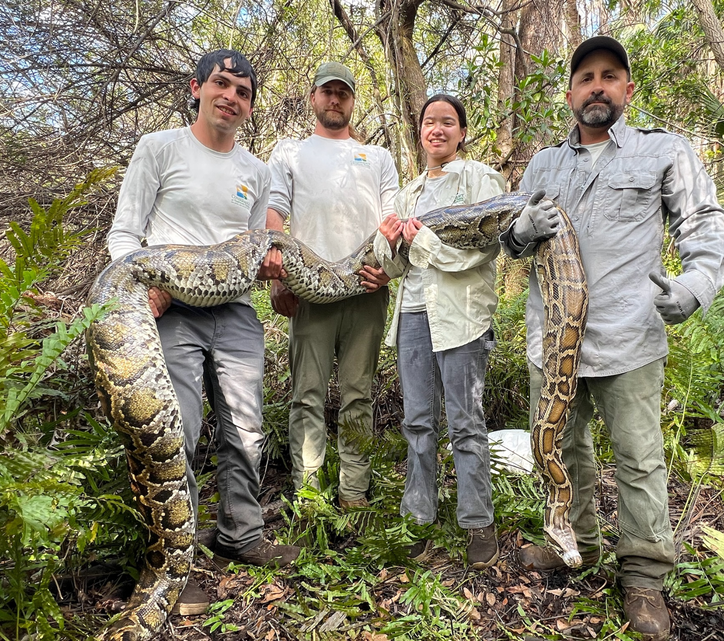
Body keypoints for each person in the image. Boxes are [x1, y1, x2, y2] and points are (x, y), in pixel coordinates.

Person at [500, 36, 724, 640]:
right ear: (571, 93)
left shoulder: (664, 151)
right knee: (562, 451)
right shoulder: (544, 164)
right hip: (552, 340)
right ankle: (573, 543)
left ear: (627, 88)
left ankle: (645, 575)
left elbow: (702, 222)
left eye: (609, 76)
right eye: (586, 77)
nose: (597, 86)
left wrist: (696, 285)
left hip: (628, 335)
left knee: (637, 456)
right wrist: (520, 229)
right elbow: (508, 240)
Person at [106, 49, 302, 615]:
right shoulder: (159, 148)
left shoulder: (256, 172)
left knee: (246, 427)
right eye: (222, 84)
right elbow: (125, 232)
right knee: (180, 430)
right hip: (173, 312)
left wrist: (269, 267)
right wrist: (145, 281)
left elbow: (252, 246)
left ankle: (240, 534)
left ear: (248, 105)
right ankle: (176, 557)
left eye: (242, 91)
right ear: (197, 88)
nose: (231, 97)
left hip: (236, 312)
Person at [372, 94, 506, 569]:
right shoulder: (407, 194)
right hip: (412, 316)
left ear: (461, 132)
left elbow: (482, 251)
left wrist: (421, 239)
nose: (438, 129)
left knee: (466, 423)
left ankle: (477, 522)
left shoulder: (481, 180)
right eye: (430, 122)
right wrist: (387, 240)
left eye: (448, 122)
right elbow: (393, 267)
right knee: (417, 422)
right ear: (420, 131)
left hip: (462, 317)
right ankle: (418, 517)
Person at [266, 62, 399, 511]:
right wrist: (279, 276)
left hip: (366, 290)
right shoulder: (289, 152)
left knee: (359, 393)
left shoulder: (377, 157)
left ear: (352, 100)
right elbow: (275, 215)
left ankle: (354, 493)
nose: (335, 99)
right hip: (310, 293)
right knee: (307, 395)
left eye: (343, 92)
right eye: (327, 91)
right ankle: (307, 496)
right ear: (313, 98)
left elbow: (391, 224)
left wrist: (387, 269)